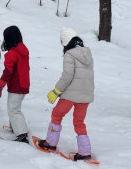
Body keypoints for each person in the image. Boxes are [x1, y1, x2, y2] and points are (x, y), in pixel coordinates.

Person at [38, 27, 95, 161]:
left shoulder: (70, 55)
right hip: (86, 94)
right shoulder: (88, 54)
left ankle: (50, 144)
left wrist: (56, 91)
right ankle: (85, 152)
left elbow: (67, 76)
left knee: (57, 114)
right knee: (79, 121)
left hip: (70, 94)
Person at [0, 26, 30, 143]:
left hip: (16, 86)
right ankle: (16, 127)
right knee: (14, 108)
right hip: (24, 85)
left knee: (14, 110)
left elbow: (7, 72)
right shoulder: (23, 50)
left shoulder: (12, 54)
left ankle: (22, 134)